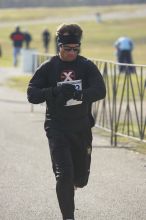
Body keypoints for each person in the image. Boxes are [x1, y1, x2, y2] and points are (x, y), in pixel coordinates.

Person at [27, 23, 106, 220]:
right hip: (57, 128)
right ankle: (68, 217)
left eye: (75, 49)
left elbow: (100, 90)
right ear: (59, 46)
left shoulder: (86, 66)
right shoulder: (48, 67)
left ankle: (74, 183)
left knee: (81, 178)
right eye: (67, 49)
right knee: (64, 174)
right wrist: (53, 91)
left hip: (81, 128)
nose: (72, 52)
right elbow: (32, 94)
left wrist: (79, 94)